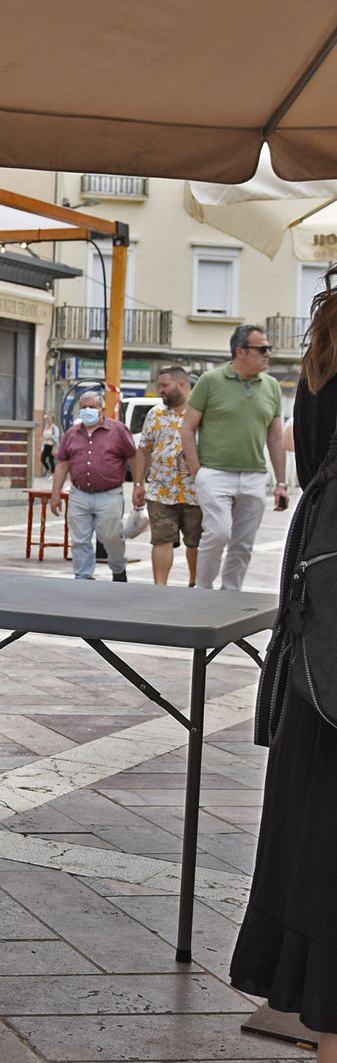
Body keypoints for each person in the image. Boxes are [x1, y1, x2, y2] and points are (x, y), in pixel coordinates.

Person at [230, 267, 337, 1055]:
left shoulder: (326, 333)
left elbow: (310, 465)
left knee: (314, 817)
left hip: (321, 640)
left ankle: (308, 1000)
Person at [184, 324, 289, 590]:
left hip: (254, 474)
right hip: (215, 473)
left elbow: (275, 437)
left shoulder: (272, 386)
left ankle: (230, 595)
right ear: (240, 351)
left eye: (268, 348)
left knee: (243, 545)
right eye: (262, 349)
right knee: (218, 533)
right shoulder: (211, 381)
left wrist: (281, 482)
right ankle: (203, 590)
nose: (268, 354)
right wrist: (197, 470)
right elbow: (187, 428)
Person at [50, 391, 135, 581]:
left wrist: (138, 485)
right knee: (79, 540)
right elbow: (62, 464)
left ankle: (118, 569)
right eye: (84, 407)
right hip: (79, 494)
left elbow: (133, 456)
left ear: (102, 409)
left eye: (92, 407)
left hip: (110, 494)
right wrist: (55, 494)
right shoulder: (72, 434)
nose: (88, 410)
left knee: (111, 538)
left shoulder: (118, 430)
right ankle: (83, 576)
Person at [132, 366, 201, 586]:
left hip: (196, 491)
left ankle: (196, 584)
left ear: (182, 385)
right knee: (161, 539)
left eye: (164, 385)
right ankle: (159, 587)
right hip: (160, 491)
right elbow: (144, 450)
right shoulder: (155, 414)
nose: (160, 390)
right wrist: (138, 484)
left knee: (195, 541)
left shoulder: (202, 413)